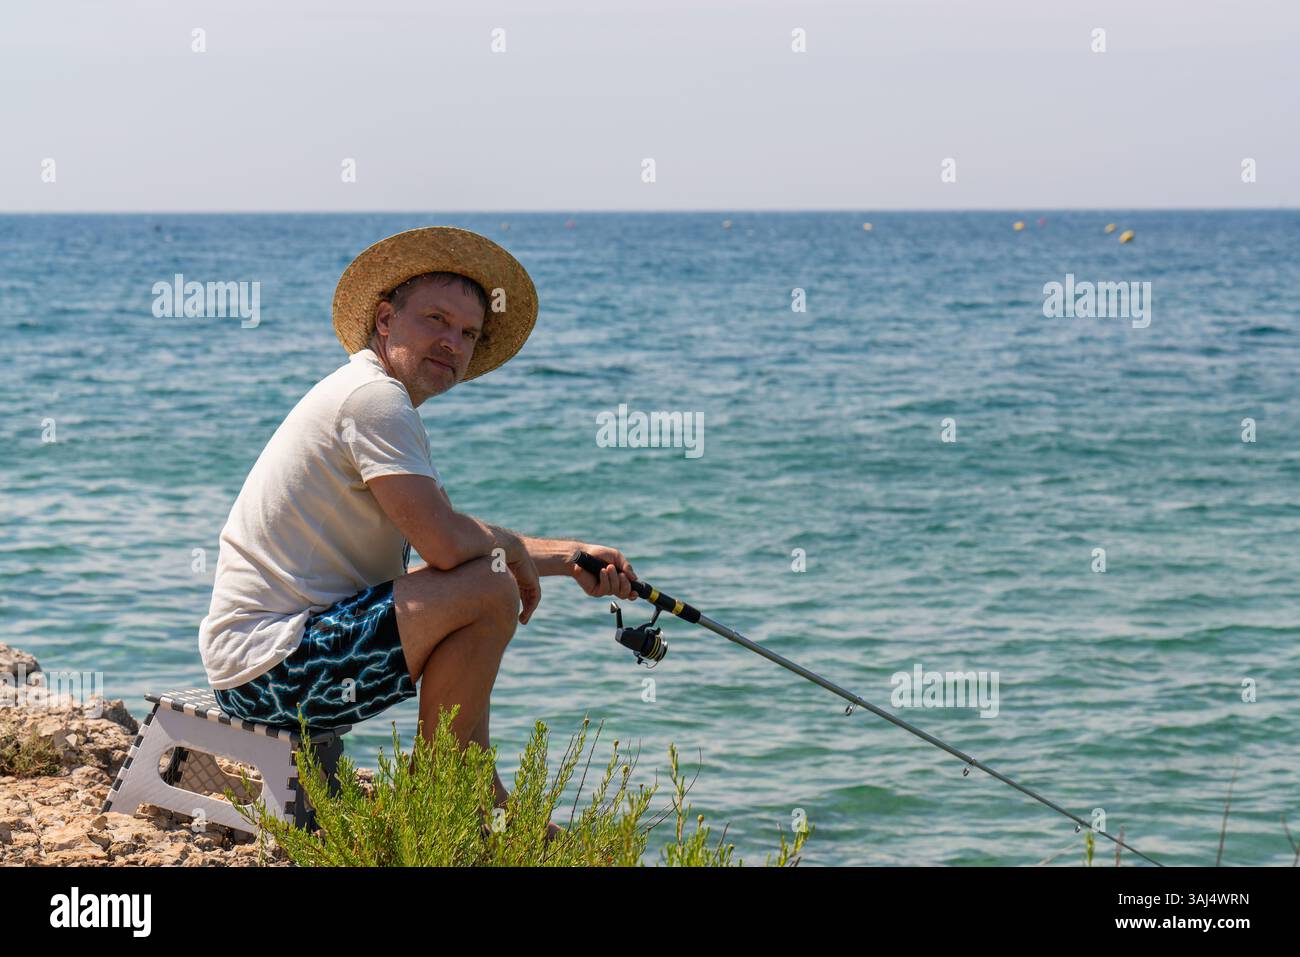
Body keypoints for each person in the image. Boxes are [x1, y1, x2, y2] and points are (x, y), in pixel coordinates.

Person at [199, 226, 637, 810]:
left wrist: (569, 557)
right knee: (488, 586)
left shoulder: (377, 397)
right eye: (435, 319)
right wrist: (510, 556)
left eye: (468, 333)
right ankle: (458, 797)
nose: (452, 342)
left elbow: (455, 540)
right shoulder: (372, 400)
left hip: (283, 660)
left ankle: (462, 791)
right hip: (268, 671)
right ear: (385, 320)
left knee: (488, 581)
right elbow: (449, 547)